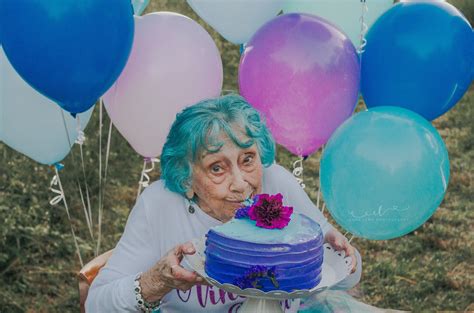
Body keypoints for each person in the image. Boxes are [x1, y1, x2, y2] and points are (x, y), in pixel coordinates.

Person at [86, 94, 362, 313]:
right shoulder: (160, 205)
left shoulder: (277, 182)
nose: (241, 184)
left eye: (248, 159)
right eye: (217, 168)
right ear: (186, 179)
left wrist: (336, 252)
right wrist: (157, 281)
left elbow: (349, 275)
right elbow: (95, 304)